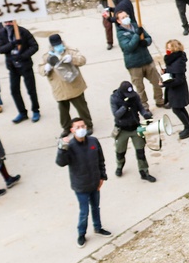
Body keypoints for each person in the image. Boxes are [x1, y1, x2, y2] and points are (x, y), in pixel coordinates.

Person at [56, 117, 111, 248]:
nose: (81, 129)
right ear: (72, 130)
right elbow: (61, 163)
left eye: (83, 126)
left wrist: (102, 177)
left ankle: (98, 228)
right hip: (81, 186)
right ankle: (81, 234)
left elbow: (100, 160)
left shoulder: (93, 141)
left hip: (95, 183)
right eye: (77, 127)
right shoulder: (70, 146)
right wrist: (61, 148)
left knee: (96, 207)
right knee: (84, 211)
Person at [39, 34, 93, 137]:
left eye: (59, 44)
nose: (58, 46)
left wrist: (72, 59)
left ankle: (88, 125)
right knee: (63, 111)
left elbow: (82, 60)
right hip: (59, 88)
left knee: (82, 108)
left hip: (74, 86)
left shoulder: (70, 51)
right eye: (55, 45)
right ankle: (66, 128)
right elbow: (41, 70)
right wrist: (46, 68)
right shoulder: (47, 56)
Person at [116, 10, 164, 109]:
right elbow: (128, 47)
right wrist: (137, 36)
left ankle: (160, 100)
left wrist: (146, 42)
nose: (126, 18)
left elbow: (148, 37)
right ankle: (144, 106)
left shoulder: (136, 26)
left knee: (157, 81)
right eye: (123, 17)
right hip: (134, 64)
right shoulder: (121, 34)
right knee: (140, 87)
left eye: (126, 16)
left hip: (147, 60)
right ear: (118, 21)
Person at [110, 81, 156, 182]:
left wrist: (145, 114)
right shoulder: (114, 98)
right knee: (120, 151)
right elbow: (116, 114)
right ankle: (119, 165)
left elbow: (140, 107)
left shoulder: (134, 96)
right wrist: (124, 106)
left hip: (135, 127)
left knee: (140, 152)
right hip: (122, 129)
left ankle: (144, 172)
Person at [0, 20, 41, 123]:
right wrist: (12, 44)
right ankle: (22, 112)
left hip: (25, 66)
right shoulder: (2, 33)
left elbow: (34, 46)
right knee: (14, 90)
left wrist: (23, 56)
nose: (8, 24)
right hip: (13, 67)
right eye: (6, 22)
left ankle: (35, 110)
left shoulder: (23, 31)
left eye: (10, 22)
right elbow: (0, 49)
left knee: (31, 90)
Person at [161, 39, 189, 138]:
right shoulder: (172, 59)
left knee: (177, 109)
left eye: (169, 48)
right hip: (175, 89)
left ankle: (188, 127)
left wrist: (164, 84)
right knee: (180, 108)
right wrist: (166, 71)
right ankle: (188, 125)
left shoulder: (178, 62)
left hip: (178, 90)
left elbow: (179, 79)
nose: (167, 50)